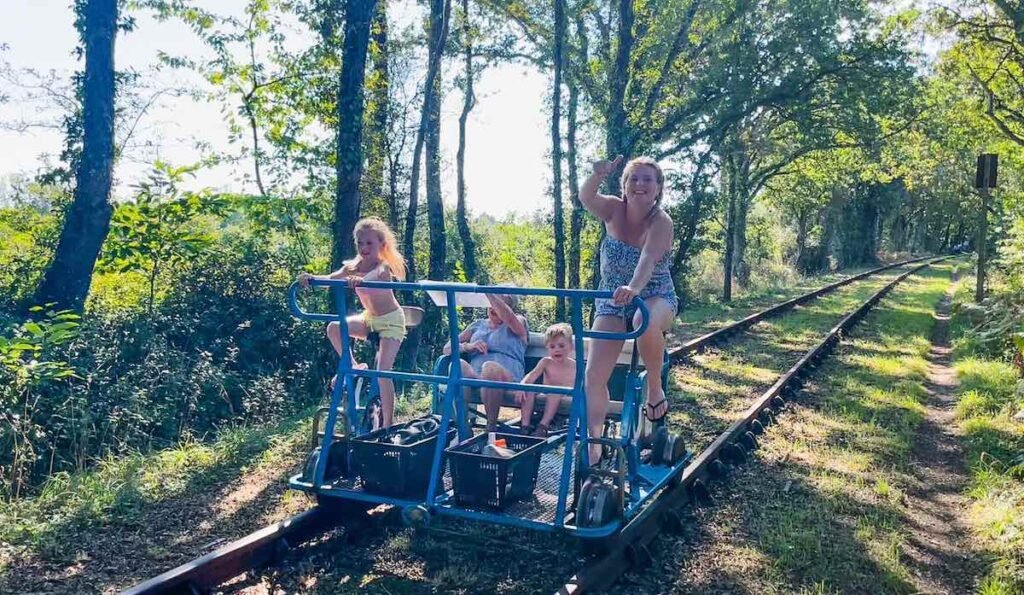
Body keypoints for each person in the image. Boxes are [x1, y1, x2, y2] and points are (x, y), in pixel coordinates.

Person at [580, 155, 678, 462]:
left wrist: (634, 289)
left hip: (655, 295)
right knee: (594, 375)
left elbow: (648, 260)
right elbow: (585, 197)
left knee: (643, 318)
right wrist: (597, 175)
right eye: (634, 178)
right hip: (611, 300)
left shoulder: (661, 222)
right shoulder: (612, 209)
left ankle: (654, 388)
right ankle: (594, 442)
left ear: (658, 188)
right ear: (624, 185)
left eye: (648, 179)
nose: (640, 184)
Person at [297, 217, 407, 427]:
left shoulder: (382, 267)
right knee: (334, 328)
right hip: (370, 318)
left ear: (381, 246)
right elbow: (331, 279)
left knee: (383, 371)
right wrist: (310, 280)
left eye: (369, 243)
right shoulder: (352, 267)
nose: (364, 248)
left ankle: (388, 424)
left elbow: (374, 276)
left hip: (391, 321)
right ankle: (355, 367)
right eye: (360, 243)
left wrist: (361, 280)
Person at [442, 292, 528, 432]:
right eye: (491, 304)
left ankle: (491, 428)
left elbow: (510, 319)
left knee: (490, 368)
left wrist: (489, 293)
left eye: (499, 304)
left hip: (507, 377)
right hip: (476, 375)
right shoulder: (477, 325)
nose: (493, 307)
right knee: (457, 366)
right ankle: (463, 428)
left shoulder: (518, 322)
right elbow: (446, 348)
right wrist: (468, 346)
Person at [514, 323, 577, 437]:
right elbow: (531, 375)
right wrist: (522, 386)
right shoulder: (546, 362)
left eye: (561, 346)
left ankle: (543, 426)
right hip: (547, 393)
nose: (557, 350)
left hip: (567, 396)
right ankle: (525, 426)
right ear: (547, 348)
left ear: (571, 347)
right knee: (530, 389)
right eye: (552, 347)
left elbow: (583, 385)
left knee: (555, 391)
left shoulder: (575, 366)